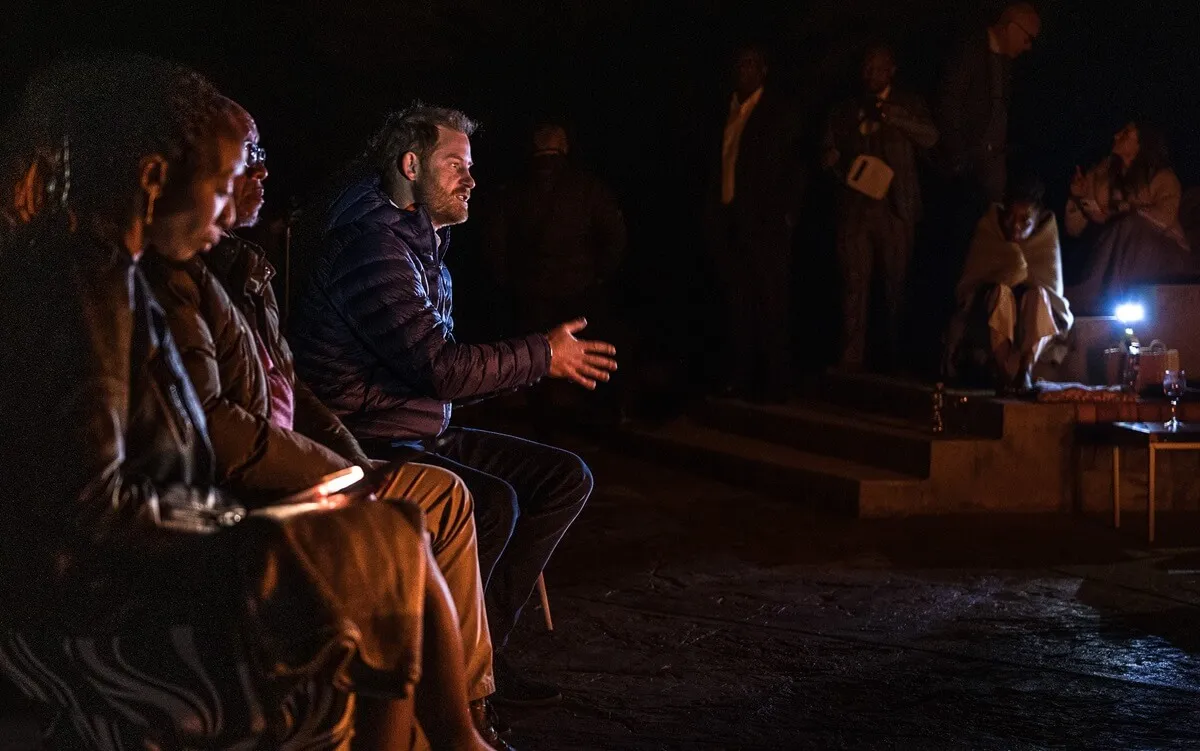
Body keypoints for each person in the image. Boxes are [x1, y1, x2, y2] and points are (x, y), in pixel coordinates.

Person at [0, 55, 492, 750]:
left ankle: (450, 732)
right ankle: (448, 735)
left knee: (393, 532)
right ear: (152, 178)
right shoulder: (91, 288)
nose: (237, 203)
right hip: (92, 603)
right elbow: (93, 500)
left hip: (135, 564)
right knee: (379, 544)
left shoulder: (125, 277)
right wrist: (254, 530)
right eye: (226, 182)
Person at [140, 101, 512, 748]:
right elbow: (213, 426)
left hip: (311, 455)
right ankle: (454, 725)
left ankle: (460, 712)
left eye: (258, 162)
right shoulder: (173, 280)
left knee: (458, 499)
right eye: (239, 167)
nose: (260, 178)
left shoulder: (237, 266)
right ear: (164, 178)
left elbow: (294, 388)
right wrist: (338, 470)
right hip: (245, 494)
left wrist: (343, 458)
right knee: (417, 520)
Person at [290, 104, 618, 705]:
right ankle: (448, 680)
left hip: (414, 428)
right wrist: (541, 355)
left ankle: (481, 653)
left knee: (563, 478)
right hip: (364, 439)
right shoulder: (372, 249)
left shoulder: (422, 242)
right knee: (492, 501)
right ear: (411, 166)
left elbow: (440, 371)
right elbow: (439, 369)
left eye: (471, 166)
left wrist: (535, 358)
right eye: (455, 166)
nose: (471, 179)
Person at [483, 122, 628, 426]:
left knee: (539, 359)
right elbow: (615, 235)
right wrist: (601, 274)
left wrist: (506, 278)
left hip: (531, 290)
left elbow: (496, 239)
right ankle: (606, 419)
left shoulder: (513, 188)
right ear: (564, 147)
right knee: (596, 355)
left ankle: (543, 427)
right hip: (582, 289)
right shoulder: (588, 185)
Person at [821, 43, 939, 372]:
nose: (871, 74)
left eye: (878, 68)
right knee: (853, 285)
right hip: (856, 209)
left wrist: (893, 115)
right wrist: (831, 161)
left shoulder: (909, 104)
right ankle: (851, 358)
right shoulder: (845, 110)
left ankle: (896, 360)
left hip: (896, 210)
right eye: (867, 68)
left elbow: (931, 138)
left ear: (892, 70)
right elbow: (828, 149)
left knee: (897, 286)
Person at [704, 44, 805, 401]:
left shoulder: (779, 112)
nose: (744, 71)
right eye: (739, 64)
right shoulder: (726, 110)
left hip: (765, 224)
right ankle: (742, 375)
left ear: (763, 70)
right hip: (730, 220)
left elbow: (793, 167)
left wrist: (785, 215)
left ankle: (778, 380)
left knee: (771, 301)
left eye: (751, 64)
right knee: (738, 302)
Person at [945, 175, 1072, 392]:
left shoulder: (1045, 241)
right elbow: (969, 290)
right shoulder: (990, 233)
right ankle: (1004, 371)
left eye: (1025, 221)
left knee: (1039, 295)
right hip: (989, 322)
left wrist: (1022, 274)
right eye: (1010, 217)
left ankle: (1025, 371)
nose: (1015, 226)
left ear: (1037, 219)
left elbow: (1053, 297)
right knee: (1000, 293)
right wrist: (1011, 270)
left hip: (1029, 326)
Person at [1065, 122, 1197, 313]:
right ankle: (1090, 293)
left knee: (1132, 229)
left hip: (1165, 253)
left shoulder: (1162, 178)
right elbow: (1082, 227)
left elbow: (1164, 218)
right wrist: (1080, 198)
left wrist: (1129, 211)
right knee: (1116, 233)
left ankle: (1100, 295)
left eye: (1126, 133)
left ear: (1142, 143)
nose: (1117, 136)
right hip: (1119, 247)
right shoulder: (1104, 176)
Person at [936, 2, 1041, 208]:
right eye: (1028, 38)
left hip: (991, 165)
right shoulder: (970, 49)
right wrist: (958, 154)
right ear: (1011, 28)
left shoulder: (1005, 62)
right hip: (966, 167)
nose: (1028, 47)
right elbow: (947, 101)